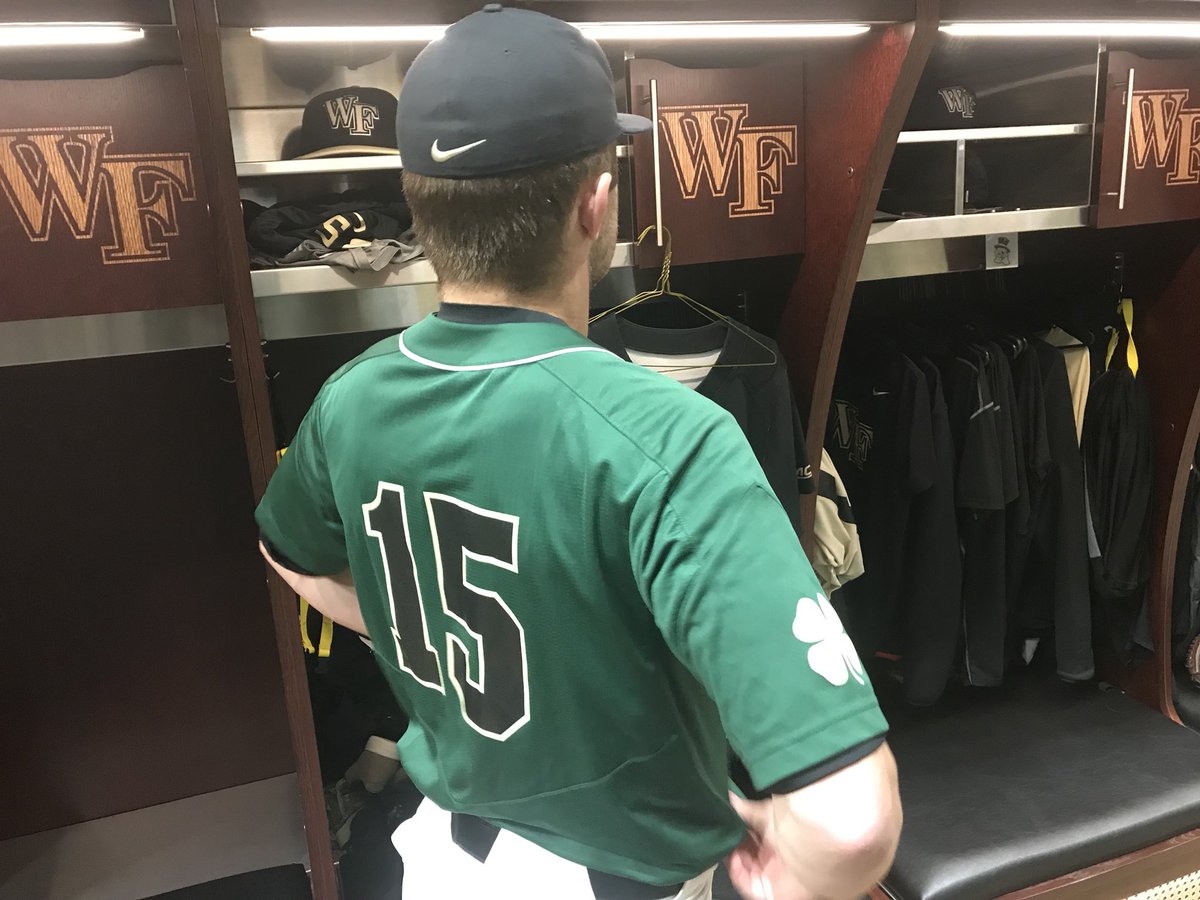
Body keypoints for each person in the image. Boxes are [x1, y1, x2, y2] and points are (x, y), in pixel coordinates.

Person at [256, 6, 902, 899]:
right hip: (615, 881)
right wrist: (786, 874)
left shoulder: (350, 398)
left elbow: (284, 551)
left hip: (440, 865)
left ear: (421, 207)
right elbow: (851, 821)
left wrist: (419, 628)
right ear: (596, 207)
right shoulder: (672, 437)